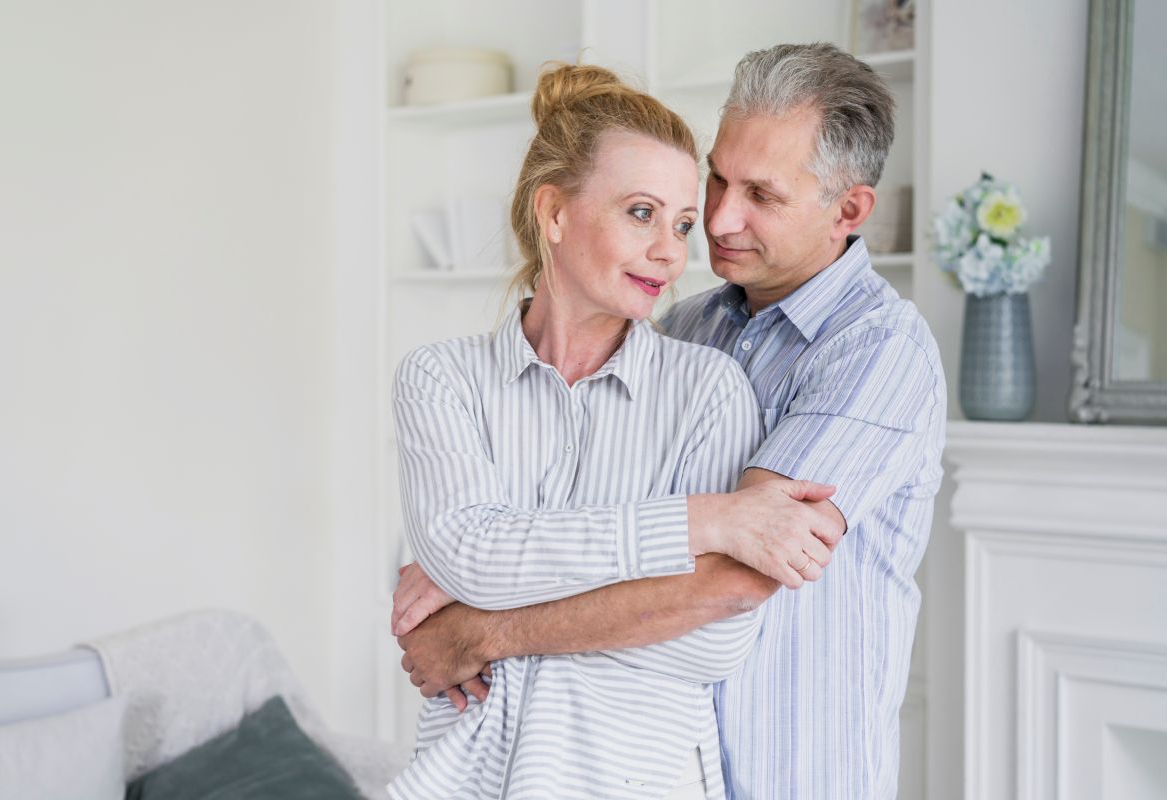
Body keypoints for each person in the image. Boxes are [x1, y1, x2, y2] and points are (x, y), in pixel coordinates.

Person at [394, 44, 947, 799]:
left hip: (788, 769)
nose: (719, 219)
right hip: (653, 762)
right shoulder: (683, 328)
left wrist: (483, 627)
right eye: (717, 178)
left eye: (761, 194)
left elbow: (725, 584)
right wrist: (461, 555)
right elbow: (566, 525)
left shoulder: (879, 353)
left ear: (847, 211)